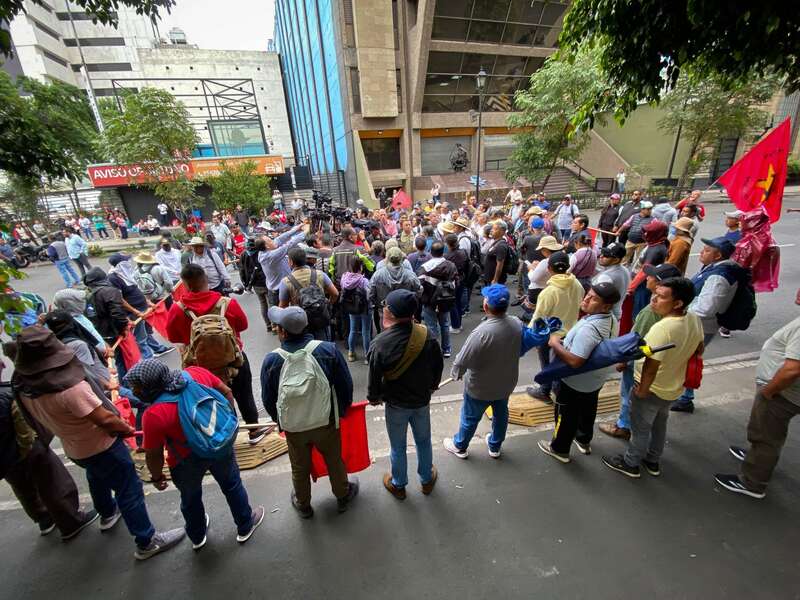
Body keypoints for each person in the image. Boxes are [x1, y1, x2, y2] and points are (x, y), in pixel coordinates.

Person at [12, 326, 185, 559]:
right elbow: (104, 418)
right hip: (102, 445)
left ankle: (107, 513)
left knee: (96, 476)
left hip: (74, 447)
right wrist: (125, 428)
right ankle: (147, 541)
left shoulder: (23, 385)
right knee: (129, 489)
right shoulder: (69, 389)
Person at [124, 360, 265, 549]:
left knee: (190, 498)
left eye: (137, 387)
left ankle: (197, 536)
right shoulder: (195, 373)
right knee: (232, 484)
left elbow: (154, 454)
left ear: (150, 386)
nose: (134, 392)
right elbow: (226, 391)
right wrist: (226, 423)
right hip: (218, 446)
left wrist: (157, 477)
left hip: (184, 461)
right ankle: (245, 524)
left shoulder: (153, 414)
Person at [260, 306, 358, 517]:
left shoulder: (272, 360)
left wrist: (280, 420)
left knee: (299, 466)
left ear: (284, 332)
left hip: (294, 427)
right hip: (325, 421)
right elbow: (345, 386)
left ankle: (303, 504)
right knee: (334, 460)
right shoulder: (328, 350)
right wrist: (340, 412)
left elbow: (268, 399)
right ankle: (342, 495)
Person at [602, 277, 703, 478]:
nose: (653, 299)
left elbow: (651, 365)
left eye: (661, 297)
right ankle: (653, 460)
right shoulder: (693, 318)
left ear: (678, 303)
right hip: (673, 387)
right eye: (655, 293)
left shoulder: (663, 328)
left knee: (640, 427)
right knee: (659, 424)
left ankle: (631, 463)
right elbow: (699, 348)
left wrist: (642, 390)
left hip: (651, 387)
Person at [166, 264, 269, 444]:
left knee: (210, 400)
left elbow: (173, 336)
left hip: (199, 369)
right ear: (206, 280)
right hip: (234, 361)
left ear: (185, 284)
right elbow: (243, 325)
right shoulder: (227, 303)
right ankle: (253, 431)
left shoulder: (177, 309)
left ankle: (224, 435)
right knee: (244, 395)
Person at [0, 357, 93, 539]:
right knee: (53, 482)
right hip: (25, 450)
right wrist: (32, 448)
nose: (3, 364)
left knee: (23, 488)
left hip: (4, 459)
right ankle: (71, 521)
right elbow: (24, 430)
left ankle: (44, 518)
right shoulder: (6, 394)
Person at [444, 285, 540, 459]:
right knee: (501, 414)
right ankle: (495, 446)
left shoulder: (481, 333)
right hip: (506, 383)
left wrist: (455, 373)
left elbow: (462, 360)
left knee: (470, 418)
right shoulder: (516, 323)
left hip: (480, 387)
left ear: (486, 306)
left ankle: (460, 445)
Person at [715, 308, 800, 499]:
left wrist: (769, 391)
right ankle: (757, 457)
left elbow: (792, 370)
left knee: (766, 435)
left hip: (782, 393)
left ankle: (753, 481)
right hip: (785, 391)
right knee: (769, 433)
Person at [367, 290, 443, 499]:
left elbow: (374, 376)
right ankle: (426, 480)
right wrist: (432, 386)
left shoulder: (380, 343)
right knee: (423, 440)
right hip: (421, 401)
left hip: (396, 403)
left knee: (398, 446)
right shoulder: (426, 335)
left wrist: (374, 397)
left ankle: (399, 484)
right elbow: (438, 365)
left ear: (389, 312)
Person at [538, 282, 620, 462]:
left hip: (574, 382)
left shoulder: (589, 330)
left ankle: (559, 448)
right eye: (588, 294)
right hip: (594, 380)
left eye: (594, 298)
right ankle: (583, 439)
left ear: (606, 306)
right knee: (588, 409)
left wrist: (554, 343)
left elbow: (576, 361)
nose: (587, 299)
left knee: (565, 414)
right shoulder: (611, 319)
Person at [599, 263, 682, 440]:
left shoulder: (650, 312)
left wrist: (624, 361)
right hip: (663, 368)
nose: (647, 278)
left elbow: (639, 340)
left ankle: (624, 426)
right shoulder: (679, 310)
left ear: (660, 284)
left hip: (640, 364)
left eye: (651, 277)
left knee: (628, 394)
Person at [671, 237, 740, 413]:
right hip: (697, 324)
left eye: (707, 250)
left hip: (700, 325)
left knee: (687, 360)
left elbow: (706, 308)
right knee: (686, 359)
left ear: (718, 255)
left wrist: (679, 311)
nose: (702, 252)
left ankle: (685, 398)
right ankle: (684, 395)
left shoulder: (719, 277)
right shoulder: (715, 269)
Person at [526, 251, 585, 402]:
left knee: (547, 364)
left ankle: (546, 391)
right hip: (571, 333)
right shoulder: (577, 285)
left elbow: (538, 319)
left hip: (550, 337)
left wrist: (531, 338)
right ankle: (558, 394)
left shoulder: (549, 292)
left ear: (549, 268)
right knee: (560, 367)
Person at [107, 253, 171, 358]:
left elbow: (136, 290)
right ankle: (149, 359)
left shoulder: (126, 273)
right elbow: (120, 299)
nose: (129, 263)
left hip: (142, 309)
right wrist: (135, 311)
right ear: (120, 264)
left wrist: (148, 302)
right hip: (134, 312)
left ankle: (157, 349)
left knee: (146, 332)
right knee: (140, 337)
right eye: (126, 261)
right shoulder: (113, 278)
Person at [279, 246, 338, 340]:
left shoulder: (286, 281)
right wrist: (328, 304)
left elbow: (283, 307)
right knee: (324, 347)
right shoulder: (320, 274)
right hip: (320, 317)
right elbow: (335, 294)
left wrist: (281, 328)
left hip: (301, 323)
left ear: (291, 262)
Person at [418, 241, 458, 358]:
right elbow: (456, 281)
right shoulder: (451, 265)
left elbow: (420, 286)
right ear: (443, 252)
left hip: (429, 300)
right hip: (446, 299)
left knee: (431, 326)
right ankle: (446, 349)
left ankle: (434, 350)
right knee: (445, 324)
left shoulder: (425, 267)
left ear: (431, 252)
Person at [368, 246, 421, 325]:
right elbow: (419, 291)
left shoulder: (378, 275)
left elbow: (370, 293)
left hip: (385, 311)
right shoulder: (410, 275)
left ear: (388, 258)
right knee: (406, 335)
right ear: (401, 258)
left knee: (387, 334)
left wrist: (378, 304)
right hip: (405, 312)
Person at [592, 241, 631, 320]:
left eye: (606, 255)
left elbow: (597, 300)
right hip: (615, 315)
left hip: (602, 317)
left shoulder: (605, 277)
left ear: (616, 260)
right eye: (602, 252)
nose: (601, 256)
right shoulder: (625, 270)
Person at [240, 237, 271, 331]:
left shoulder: (244, 254)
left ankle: (268, 325)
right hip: (266, 281)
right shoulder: (261, 252)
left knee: (263, 303)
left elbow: (242, 270)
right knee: (270, 303)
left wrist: (246, 284)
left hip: (254, 284)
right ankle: (274, 325)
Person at [617, 200, 654, 266]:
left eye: (651, 209)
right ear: (642, 209)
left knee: (640, 260)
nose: (650, 211)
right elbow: (626, 224)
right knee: (624, 257)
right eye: (648, 209)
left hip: (642, 243)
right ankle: (621, 270)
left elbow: (655, 231)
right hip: (630, 241)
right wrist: (618, 231)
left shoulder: (653, 220)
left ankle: (635, 274)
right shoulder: (634, 216)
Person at [483, 220, 510, 285]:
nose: (491, 230)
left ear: (502, 231)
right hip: (489, 278)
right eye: (492, 228)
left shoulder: (501, 245)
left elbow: (500, 265)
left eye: (495, 229)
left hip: (494, 281)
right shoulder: (496, 242)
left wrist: (495, 279)